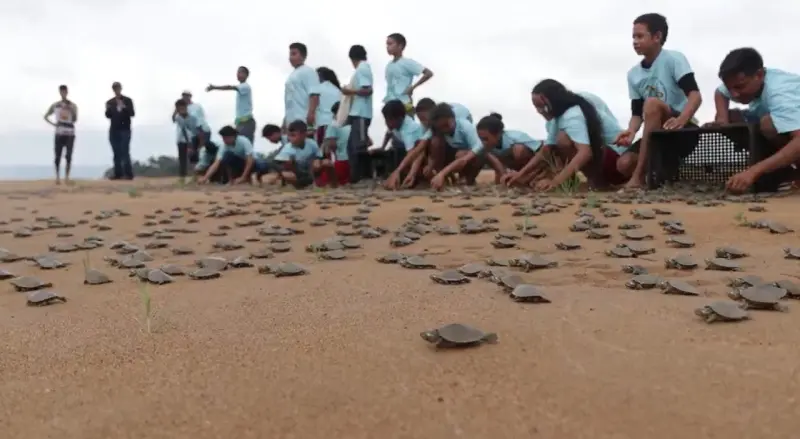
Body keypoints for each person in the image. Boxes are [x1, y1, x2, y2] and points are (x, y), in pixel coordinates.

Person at [614, 13, 703, 189]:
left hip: (682, 129)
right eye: (633, 37)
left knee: (653, 103)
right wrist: (631, 131)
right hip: (656, 133)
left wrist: (681, 120)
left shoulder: (673, 59)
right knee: (623, 164)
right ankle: (662, 172)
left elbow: (695, 96)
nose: (635, 41)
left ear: (657, 37)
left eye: (640, 36)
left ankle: (639, 178)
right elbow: (637, 114)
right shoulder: (633, 74)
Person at [712, 48, 800, 192]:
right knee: (731, 117)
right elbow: (720, 92)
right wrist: (722, 119)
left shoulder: (780, 93)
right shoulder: (739, 81)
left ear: (759, 75)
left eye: (740, 87)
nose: (734, 94)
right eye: (730, 88)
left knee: (768, 124)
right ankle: (784, 173)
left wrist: (753, 171)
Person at [522, 79, 629, 192]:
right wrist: (519, 175)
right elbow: (547, 149)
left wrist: (555, 182)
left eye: (541, 107)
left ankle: (594, 180)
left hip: (616, 162)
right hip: (602, 157)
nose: (539, 111)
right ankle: (582, 181)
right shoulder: (558, 118)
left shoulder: (572, 114)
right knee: (555, 145)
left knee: (563, 139)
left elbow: (585, 153)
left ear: (551, 102)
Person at [386, 103, 482, 190]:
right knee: (434, 142)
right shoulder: (436, 129)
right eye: (440, 127)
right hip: (452, 154)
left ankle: (467, 178)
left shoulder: (465, 126)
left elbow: (474, 152)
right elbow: (417, 150)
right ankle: (443, 178)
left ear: (453, 118)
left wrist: (442, 174)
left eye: (446, 125)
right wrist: (398, 171)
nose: (444, 130)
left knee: (462, 155)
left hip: (470, 156)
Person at [467, 114, 544, 186]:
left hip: (533, 166)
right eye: (480, 139)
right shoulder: (483, 144)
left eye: (486, 139)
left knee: (518, 149)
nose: (483, 142)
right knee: (482, 154)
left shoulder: (516, 137)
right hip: (507, 167)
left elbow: (542, 151)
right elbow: (466, 158)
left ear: (499, 134)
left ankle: (529, 177)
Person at [341, 44, 374, 183]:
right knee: (351, 145)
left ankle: (365, 177)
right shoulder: (361, 69)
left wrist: (350, 91)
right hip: (356, 112)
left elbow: (368, 90)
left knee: (359, 146)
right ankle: (356, 177)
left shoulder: (363, 68)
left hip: (362, 112)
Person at [384, 33, 434, 115]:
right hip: (390, 103)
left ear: (400, 46)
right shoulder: (389, 65)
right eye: (387, 44)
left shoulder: (407, 62)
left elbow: (428, 73)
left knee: (409, 125)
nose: (387, 47)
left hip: (405, 103)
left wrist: (413, 87)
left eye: (390, 44)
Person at [198, 125, 266, 185]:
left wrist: (243, 177)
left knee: (262, 164)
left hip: (252, 163)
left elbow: (250, 159)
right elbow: (216, 163)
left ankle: (251, 177)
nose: (224, 140)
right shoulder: (224, 146)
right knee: (227, 156)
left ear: (233, 136)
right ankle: (232, 180)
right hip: (240, 165)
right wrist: (205, 178)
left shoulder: (244, 141)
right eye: (223, 138)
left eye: (226, 138)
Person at [379, 100, 426, 185]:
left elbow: (412, 154)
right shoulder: (394, 125)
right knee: (392, 149)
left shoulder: (408, 129)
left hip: (422, 151)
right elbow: (388, 133)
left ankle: (415, 176)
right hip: (407, 148)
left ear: (400, 118)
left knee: (406, 157)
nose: (387, 123)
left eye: (389, 120)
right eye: (385, 119)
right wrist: (382, 147)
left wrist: (403, 172)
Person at [206, 66, 255, 143]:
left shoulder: (245, 86)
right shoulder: (241, 87)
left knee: (244, 146)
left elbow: (229, 87)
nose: (238, 74)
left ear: (246, 75)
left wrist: (214, 87)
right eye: (237, 72)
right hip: (240, 122)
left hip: (246, 121)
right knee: (239, 146)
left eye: (241, 72)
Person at [270, 120, 323, 189]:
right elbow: (274, 163)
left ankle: (331, 184)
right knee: (288, 166)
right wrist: (282, 171)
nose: (290, 139)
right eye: (289, 136)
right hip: (297, 174)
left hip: (310, 172)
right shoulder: (288, 147)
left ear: (304, 135)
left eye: (293, 135)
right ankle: (298, 186)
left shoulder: (311, 143)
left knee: (323, 162)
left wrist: (317, 160)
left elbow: (319, 156)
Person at [44, 84, 78, 185]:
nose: (63, 93)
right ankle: (58, 177)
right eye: (62, 91)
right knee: (57, 155)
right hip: (59, 131)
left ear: (67, 92)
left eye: (65, 91)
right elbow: (46, 116)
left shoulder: (72, 105)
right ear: (60, 92)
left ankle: (67, 176)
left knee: (68, 155)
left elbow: (75, 119)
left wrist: (71, 109)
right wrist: (54, 124)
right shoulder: (56, 105)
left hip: (70, 131)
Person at [285, 43, 320, 132]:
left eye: (294, 54)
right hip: (291, 121)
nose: (291, 58)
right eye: (290, 54)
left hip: (303, 119)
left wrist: (311, 113)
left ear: (303, 56)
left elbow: (314, 94)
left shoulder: (308, 71)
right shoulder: (292, 75)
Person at [104, 81, 135, 180]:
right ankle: (118, 173)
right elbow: (108, 115)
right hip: (114, 129)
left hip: (125, 129)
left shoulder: (127, 100)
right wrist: (109, 109)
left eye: (118, 88)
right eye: (115, 88)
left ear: (120, 89)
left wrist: (124, 107)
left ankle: (128, 174)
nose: (116, 90)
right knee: (116, 152)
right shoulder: (110, 102)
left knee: (125, 151)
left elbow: (132, 113)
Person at [318, 102, 351, 187]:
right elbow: (369, 142)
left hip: (342, 161)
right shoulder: (354, 125)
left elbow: (331, 146)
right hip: (355, 163)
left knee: (320, 180)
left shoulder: (333, 125)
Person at [309, 67, 341, 145]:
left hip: (322, 126)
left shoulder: (316, 89)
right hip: (338, 126)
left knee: (323, 153)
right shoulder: (338, 91)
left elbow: (311, 110)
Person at [173, 99, 202, 183]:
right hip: (181, 140)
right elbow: (183, 130)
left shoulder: (193, 118)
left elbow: (195, 131)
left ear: (186, 108)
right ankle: (182, 178)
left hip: (193, 139)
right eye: (179, 109)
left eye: (183, 108)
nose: (181, 110)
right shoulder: (178, 117)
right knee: (182, 159)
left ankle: (195, 177)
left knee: (194, 159)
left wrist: (193, 145)